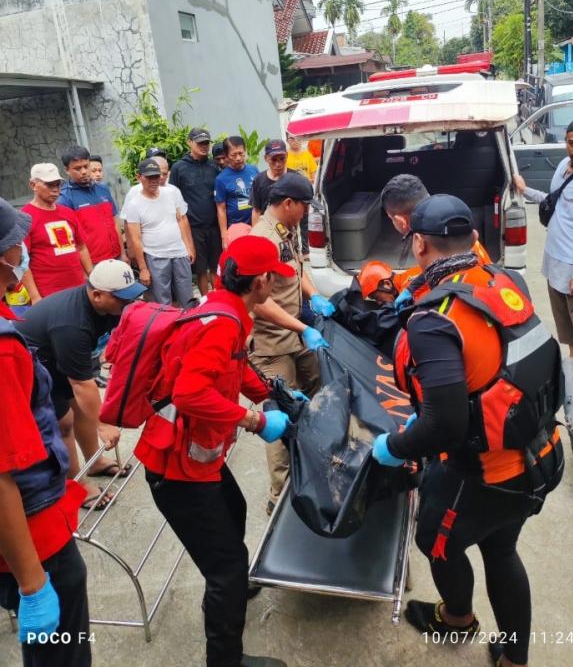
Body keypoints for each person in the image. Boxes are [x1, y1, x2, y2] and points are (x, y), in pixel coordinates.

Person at [372, 194, 563, 667]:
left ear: (418, 244)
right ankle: (514, 659)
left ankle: (457, 619)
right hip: (539, 453)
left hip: (484, 474)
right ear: (474, 239)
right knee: (501, 548)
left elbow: (445, 423)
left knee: (434, 540)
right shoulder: (502, 279)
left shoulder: (434, 321)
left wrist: (392, 447)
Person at [135, 235, 296, 667]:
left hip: (192, 461)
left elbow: (235, 366)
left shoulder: (225, 309)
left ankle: (228, 587)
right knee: (225, 566)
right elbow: (189, 394)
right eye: (272, 279)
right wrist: (256, 421)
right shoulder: (224, 322)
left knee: (236, 510)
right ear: (259, 281)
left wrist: (269, 395)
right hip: (176, 470)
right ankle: (225, 658)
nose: (273, 285)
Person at [0, 197, 91, 667]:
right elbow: (1, 477)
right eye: (17, 242)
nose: (24, 250)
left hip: (30, 528)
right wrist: (34, 584)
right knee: (62, 652)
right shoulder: (4, 350)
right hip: (34, 538)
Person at [15, 259, 147, 509]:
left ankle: (93, 461)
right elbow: (81, 384)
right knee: (63, 422)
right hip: (28, 365)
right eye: (122, 298)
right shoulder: (72, 324)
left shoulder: (109, 307)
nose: (128, 302)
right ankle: (76, 485)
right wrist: (104, 423)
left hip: (54, 357)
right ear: (97, 295)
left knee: (82, 410)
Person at [251, 172, 334, 512]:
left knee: (315, 398)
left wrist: (314, 297)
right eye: (303, 207)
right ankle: (280, 495)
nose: (306, 213)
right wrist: (301, 328)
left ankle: (313, 469)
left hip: (298, 331)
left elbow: (297, 271)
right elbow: (257, 300)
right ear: (288, 204)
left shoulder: (288, 229)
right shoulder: (262, 240)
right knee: (280, 413)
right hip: (273, 345)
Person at [513, 115, 573, 359]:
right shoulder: (563, 167)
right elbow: (554, 202)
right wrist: (524, 190)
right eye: (572, 143)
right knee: (569, 334)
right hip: (555, 265)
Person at [380, 173, 491, 303]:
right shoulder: (458, 235)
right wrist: (412, 288)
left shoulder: (437, 286)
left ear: (401, 221)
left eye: (391, 218)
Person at [125, 158, 195, 308]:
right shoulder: (134, 204)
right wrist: (143, 268)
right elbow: (136, 238)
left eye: (156, 176)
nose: (154, 180)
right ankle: (167, 330)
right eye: (149, 177)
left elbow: (180, 220)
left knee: (187, 297)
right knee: (162, 302)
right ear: (139, 177)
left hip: (179, 253)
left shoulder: (170, 193)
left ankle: (191, 328)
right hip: (156, 256)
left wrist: (188, 247)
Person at [21, 163, 93, 303]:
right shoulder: (24, 218)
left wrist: (92, 277)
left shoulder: (68, 212)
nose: (55, 190)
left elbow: (81, 247)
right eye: (49, 185)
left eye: (58, 185)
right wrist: (35, 296)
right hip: (48, 294)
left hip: (78, 288)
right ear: (33, 185)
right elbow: (22, 262)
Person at [169, 128, 221, 297]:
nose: (204, 146)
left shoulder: (214, 166)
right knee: (200, 269)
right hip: (193, 228)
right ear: (189, 143)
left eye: (206, 143)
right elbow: (173, 197)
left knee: (216, 266)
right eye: (200, 143)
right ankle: (206, 304)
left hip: (214, 227)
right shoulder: (179, 168)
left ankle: (219, 300)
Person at [58, 145, 127, 265]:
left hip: (117, 257)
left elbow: (114, 223)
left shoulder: (103, 189)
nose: (84, 172)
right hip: (93, 264)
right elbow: (71, 240)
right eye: (77, 168)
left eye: (86, 166)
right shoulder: (64, 198)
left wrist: (123, 254)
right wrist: (86, 271)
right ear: (67, 170)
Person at [215, 136, 259, 244]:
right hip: (235, 230)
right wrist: (224, 236)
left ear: (245, 151)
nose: (238, 158)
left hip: (256, 226)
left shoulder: (254, 170)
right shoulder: (221, 179)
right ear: (226, 156)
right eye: (234, 155)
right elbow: (221, 209)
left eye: (241, 153)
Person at [250, 139, 289, 225]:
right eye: (274, 160)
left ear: (287, 155)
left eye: (282, 159)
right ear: (266, 158)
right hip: (267, 229)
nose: (278, 164)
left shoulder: (295, 178)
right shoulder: (259, 180)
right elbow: (256, 210)